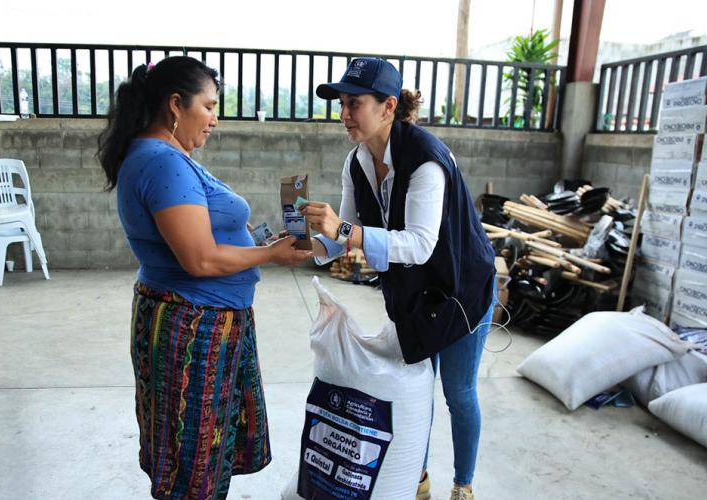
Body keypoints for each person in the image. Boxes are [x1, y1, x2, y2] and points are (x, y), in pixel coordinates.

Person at [97, 56, 312, 500]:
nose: (215, 119)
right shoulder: (164, 163)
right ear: (176, 104)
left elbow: (205, 235)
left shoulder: (165, 156)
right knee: (191, 463)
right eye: (210, 106)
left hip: (198, 319)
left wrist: (258, 241)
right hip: (193, 328)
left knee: (199, 456)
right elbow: (199, 258)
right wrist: (269, 255)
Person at [301, 57, 496, 500]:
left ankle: (463, 484)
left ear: (388, 106)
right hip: (415, 294)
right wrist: (307, 245)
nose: (344, 115)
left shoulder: (425, 160)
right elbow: (345, 234)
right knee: (417, 387)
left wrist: (343, 231)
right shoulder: (358, 161)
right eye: (342, 104)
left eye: (355, 103)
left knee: (458, 391)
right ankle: (417, 476)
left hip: (461, 287)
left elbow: (419, 244)